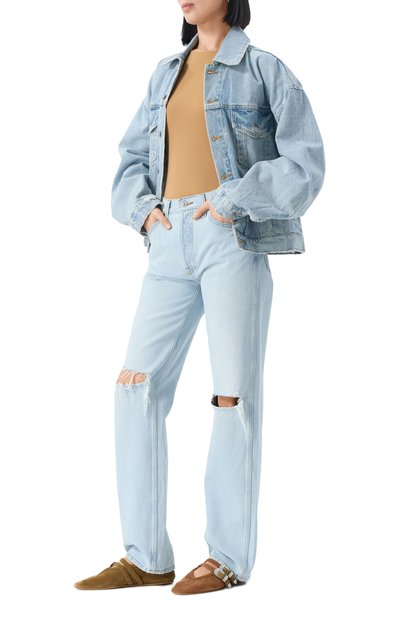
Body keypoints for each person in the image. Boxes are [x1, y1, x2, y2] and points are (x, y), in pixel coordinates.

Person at [74, 0, 325, 595]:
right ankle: (146, 557)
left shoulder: (264, 69)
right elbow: (133, 156)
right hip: (167, 240)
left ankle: (228, 558)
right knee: (134, 387)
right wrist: (145, 212)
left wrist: (233, 199)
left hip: (230, 236)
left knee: (232, 397)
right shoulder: (167, 71)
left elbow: (305, 163)